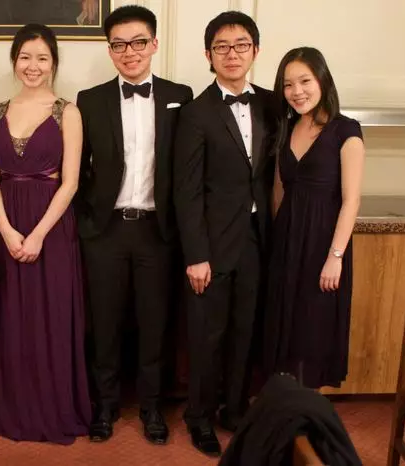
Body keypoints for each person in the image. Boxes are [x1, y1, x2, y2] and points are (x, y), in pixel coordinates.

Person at [76, 5, 193, 445]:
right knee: (104, 324)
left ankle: (151, 407)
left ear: (154, 44)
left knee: (154, 323)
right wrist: (87, 221)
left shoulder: (180, 96)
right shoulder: (90, 100)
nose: (130, 52)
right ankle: (105, 406)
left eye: (138, 42)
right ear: (109, 50)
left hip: (157, 231)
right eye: (119, 44)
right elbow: (77, 169)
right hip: (105, 231)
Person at [173, 11, 277, 456]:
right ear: (208, 55)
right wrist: (196, 255)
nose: (231, 54)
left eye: (240, 45)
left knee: (245, 331)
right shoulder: (196, 113)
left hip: (257, 238)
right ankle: (199, 416)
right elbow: (187, 191)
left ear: (255, 50)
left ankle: (235, 409)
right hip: (212, 245)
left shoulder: (273, 103)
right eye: (221, 47)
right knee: (206, 336)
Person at [0, 23, 91, 445]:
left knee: (51, 316)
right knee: (14, 318)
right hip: (7, 224)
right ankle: (15, 406)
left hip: (52, 227)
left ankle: (53, 407)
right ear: (14, 61)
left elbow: (71, 182)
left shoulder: (69, 112)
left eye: (42, 58)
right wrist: (7, 231)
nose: (33, 66)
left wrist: (37, 235)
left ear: (53, 63)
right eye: (25, 57)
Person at [263, 47, 365, 389]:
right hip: (287, 240)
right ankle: (284, 409)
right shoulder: (287, 126)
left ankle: (307, 413)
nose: (297, 91)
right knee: (284, 328)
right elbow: (279, 190)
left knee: (313, 331)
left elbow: (351, 201)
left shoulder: (345, 130)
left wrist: (335, 257)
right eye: (288, 84)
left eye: (304, 81)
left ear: (322, 80)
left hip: (323, 244)